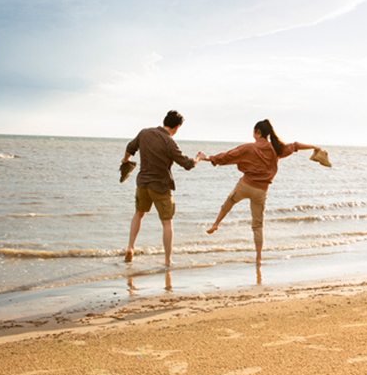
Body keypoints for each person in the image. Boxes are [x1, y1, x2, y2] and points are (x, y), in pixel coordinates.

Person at [197, 119, 321, 265]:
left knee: (230, 201)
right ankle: (258, 258)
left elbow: (227, 156)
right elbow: (295, 146)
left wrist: (206, 158)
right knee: (257, 225)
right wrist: (314, 146)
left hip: (246, 185)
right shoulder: (277, 149)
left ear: (257, 132)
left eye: (254, 132)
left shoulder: (248, 148)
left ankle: (216, 223)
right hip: (261, 191)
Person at [123, 110, 199, 266]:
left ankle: (130, 247)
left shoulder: (145, 133)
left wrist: (126, 161)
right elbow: (187, 164)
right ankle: (167, 260)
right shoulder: (169, 142)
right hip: (160, 186)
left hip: (143, 183)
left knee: (138, 214)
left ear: (164, 121)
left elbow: (131, 147)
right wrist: (199, 158)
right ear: (177, 126)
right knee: (167, 223)